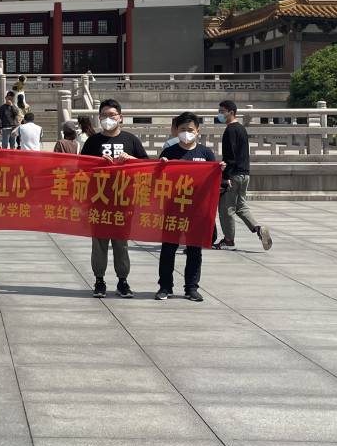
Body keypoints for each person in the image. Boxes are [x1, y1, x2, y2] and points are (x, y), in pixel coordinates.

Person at [81, 99, 148, 298]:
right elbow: (81, 168)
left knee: (121, 243)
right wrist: (97, 163)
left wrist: (131, 159)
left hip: (123, 201)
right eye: (104, 116)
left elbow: (146, 165)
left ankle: (122, 281)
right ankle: (99, 280)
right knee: (99, 244)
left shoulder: (131, 140)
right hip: (99, 200)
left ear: (120, 118)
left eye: (112, 115)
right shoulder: (92, 142)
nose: (108, 119)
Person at [158, 112, 217, 303]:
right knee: (168, 248)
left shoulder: (206, 153)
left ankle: (191, 287)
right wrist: (161, 167)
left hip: (197, 211)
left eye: (190, 129)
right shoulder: (169, 152)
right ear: (176, 131)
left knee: (194, 250)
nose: (186, 133)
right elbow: (158, 180)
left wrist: (221, 171)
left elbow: (215, 181)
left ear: (198, 131)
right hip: (173, 208)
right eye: (182, 129)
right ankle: (165, 286)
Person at [215, 100, 273, 252]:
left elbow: (230, 157)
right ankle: (258, 228)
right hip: (245, 174)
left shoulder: (230, 130)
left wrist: (226, 177)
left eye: (222, 111)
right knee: (240, 206)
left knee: (226, 208)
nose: (219, 114)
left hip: (233, 175)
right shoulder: (241, 128)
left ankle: (228, 240)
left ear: (231, 112)